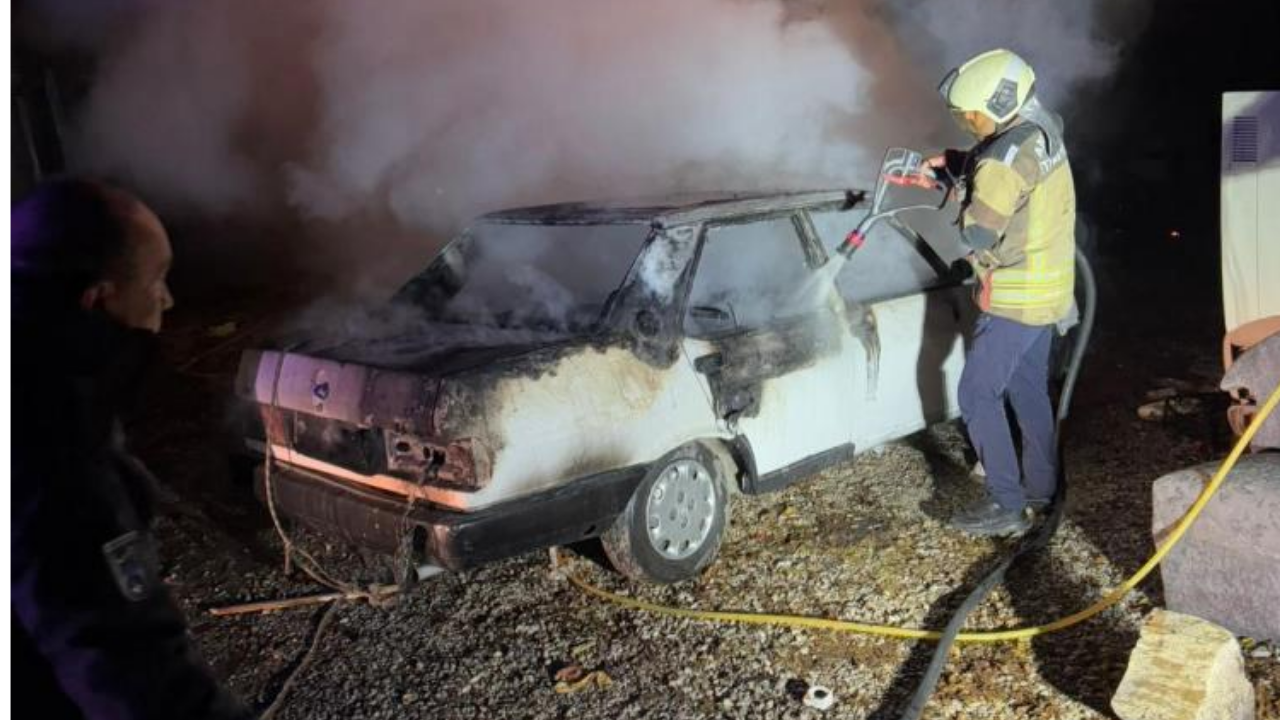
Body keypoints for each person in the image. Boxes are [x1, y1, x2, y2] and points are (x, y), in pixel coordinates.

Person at [10, 178, 252, 719]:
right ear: (99, 299)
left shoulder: (48, 384)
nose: (167, 299)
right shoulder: (55, 446)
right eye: (158, 279)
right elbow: (131, 671)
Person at [925, 49, 1077, 536]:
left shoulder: (1000, 163)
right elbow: (1008, 157)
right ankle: (1041, 487)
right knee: (1025, 387)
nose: (967, 122)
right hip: (1050, 291)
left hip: (1016, 296)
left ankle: (1006, 503)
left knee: (976, 391)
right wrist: (956, 164)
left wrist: (959, 190)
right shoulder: (1041, 126)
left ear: (997, 102)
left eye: (969, 114)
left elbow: (979, 235)